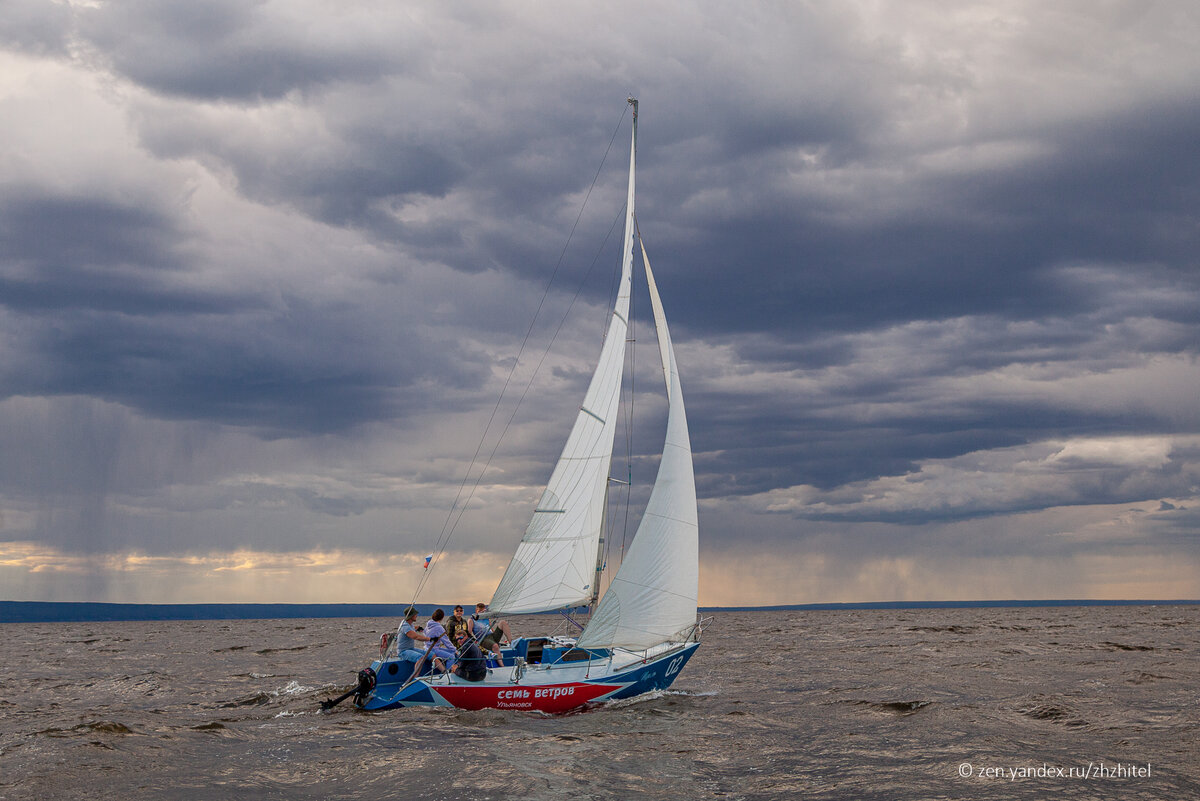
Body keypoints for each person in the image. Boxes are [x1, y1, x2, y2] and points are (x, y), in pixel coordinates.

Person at [396, 607, 441, 678]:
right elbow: (416, 637)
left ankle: (445, 672)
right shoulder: (405, 626)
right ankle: (415, 678)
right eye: (415, 614)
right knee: (420, 658)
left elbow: (412, 629)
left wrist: (418, 628)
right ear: (411, 616)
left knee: (432, 655)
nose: (417, 616)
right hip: (403, 652)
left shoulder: (409, 623)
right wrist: (431, 639)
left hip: (411, 649)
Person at [468, 602, 513, 666]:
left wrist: (496, 635)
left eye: (483, 611)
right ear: (476, 610)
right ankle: (502, 666)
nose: (481, 612)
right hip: (483, 639)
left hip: (491, 636)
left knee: (503, 622)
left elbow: (491, 629)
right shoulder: (472, 620)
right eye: (479, 611)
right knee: (495, 646)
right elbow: (469, 632)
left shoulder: (486, 618)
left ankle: (511, 642)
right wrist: (474, 643)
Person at [423, 608, 454, 673]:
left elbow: (424, 634)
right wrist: (455, 650)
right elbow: (447, 642)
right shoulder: (439, 628)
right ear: (442, 618)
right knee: (452, 657)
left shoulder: (428, 625)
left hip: (427, 648)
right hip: (433, 649)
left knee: (452, 652)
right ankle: (448, 674)